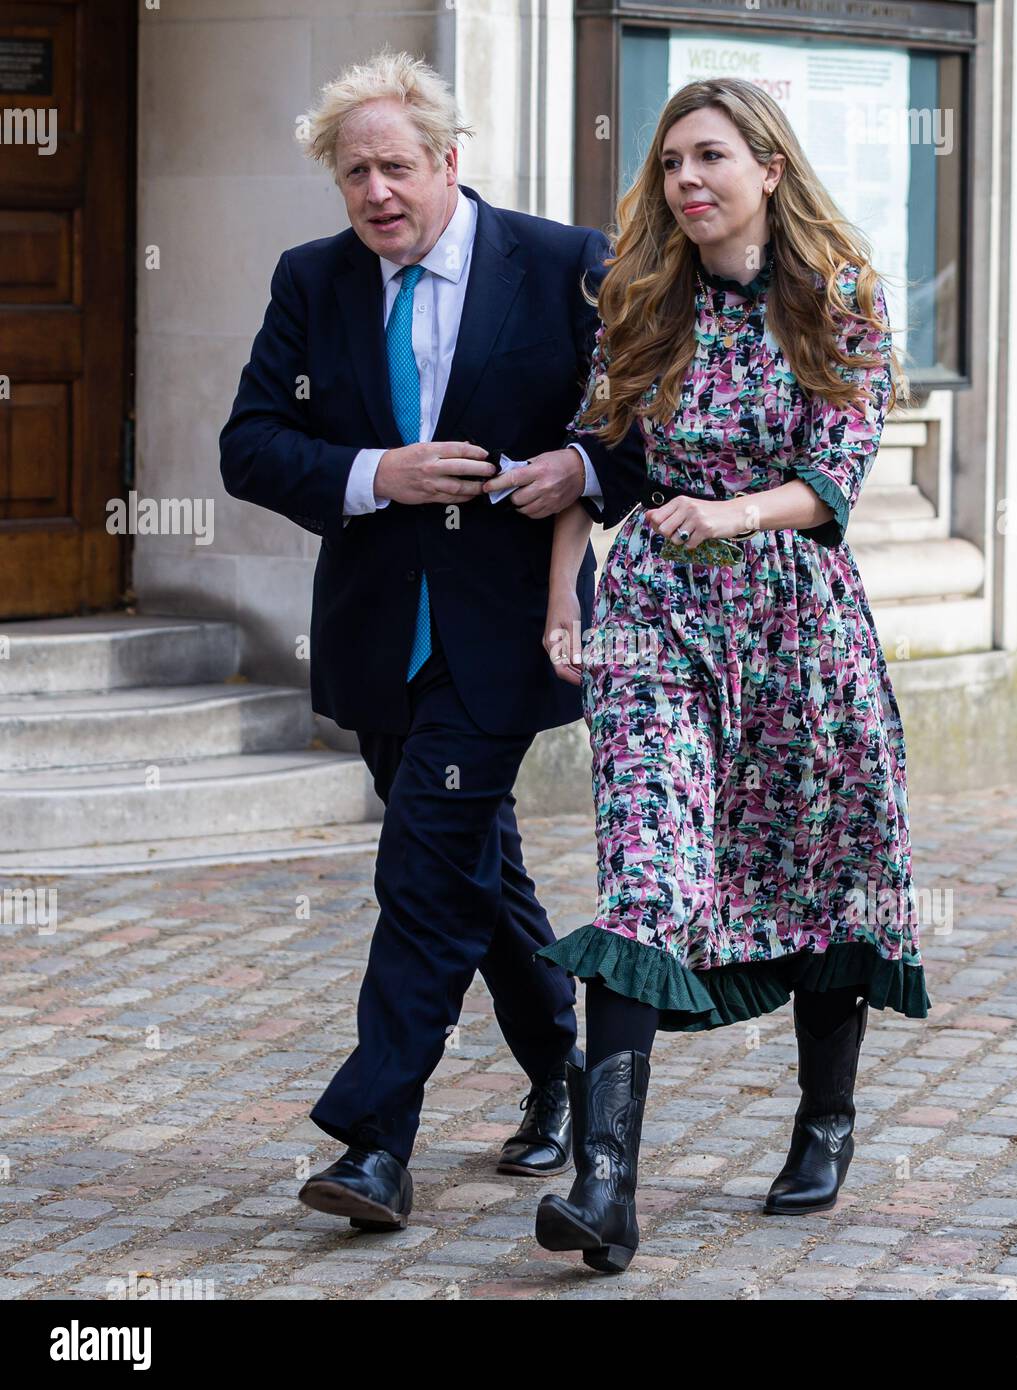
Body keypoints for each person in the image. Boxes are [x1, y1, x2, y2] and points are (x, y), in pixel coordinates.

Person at [219, 50, 646, 1232]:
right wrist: (375, 473)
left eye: (395, 167)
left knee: (418, 869)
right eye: (353, 173)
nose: (375, 194)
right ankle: (558, 1071)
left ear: (449, 160)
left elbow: (638, 426)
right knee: (471, 867)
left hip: (504, 634)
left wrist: (581, 466)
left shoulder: (563, 265)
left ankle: (374, 1142)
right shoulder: (313, 281)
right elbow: (248, 444)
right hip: (374, 638)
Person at [532, 76, 932, 1273]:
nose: (685, 182)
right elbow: (596, 453)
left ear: (767, 164)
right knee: (643, 865)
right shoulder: (638, 295)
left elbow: (833, 479)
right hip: (656, 615)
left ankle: (823, 1114)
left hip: (798, 619)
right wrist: (565, 590)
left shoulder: (839, 294)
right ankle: (604, 1187)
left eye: (708, 157)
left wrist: (729, 513)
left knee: (823, 865)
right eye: (668, 165)